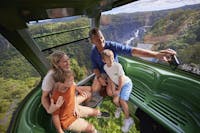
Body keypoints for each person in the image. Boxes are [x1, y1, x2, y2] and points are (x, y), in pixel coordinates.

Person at [89, 27, 176, 96]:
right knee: (95, 89)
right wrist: (99, 77)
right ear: (92, 42)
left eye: (101, 37)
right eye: (97, 40)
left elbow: (132, 51)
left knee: (110, 92)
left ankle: (108, 88)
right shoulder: (93, 52)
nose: (101, 41)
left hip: (114, 72)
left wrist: (155, 54)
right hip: (103, 72)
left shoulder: (111, 45)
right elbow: (95, 67)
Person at [101, 49, 134, 132]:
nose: (111, 61)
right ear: (104, 60)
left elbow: (121, 78)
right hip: (117, 85)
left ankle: (128, 119)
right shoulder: (105, 67)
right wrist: (113, 90)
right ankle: (119, 108)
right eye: (108, 60)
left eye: (112, 58)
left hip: (126, 84)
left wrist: (118, 90)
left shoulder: (117, 66)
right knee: (115, 100)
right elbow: (111, 79)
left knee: (122, 100)